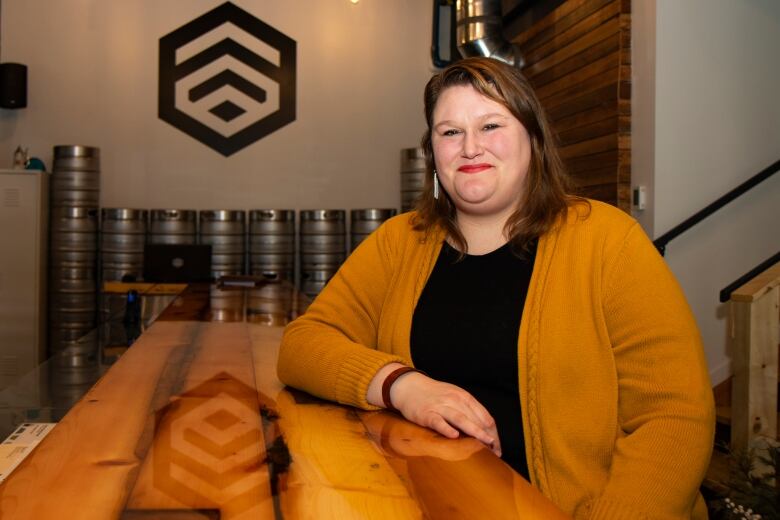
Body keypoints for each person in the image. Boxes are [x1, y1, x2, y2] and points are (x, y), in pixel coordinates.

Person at [278, 57, 715, 519]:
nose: (470, 148)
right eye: (450, 132)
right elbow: (302, 346)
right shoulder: (401, 241)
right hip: (420, 501)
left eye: (490, 125)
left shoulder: (608, 240)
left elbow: (674, 416)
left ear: (533, 137)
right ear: (433, 152)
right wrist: (403, 386)